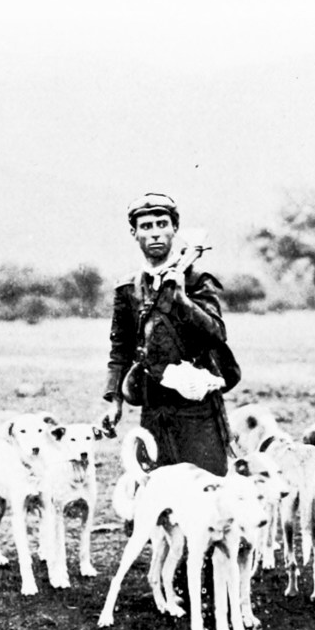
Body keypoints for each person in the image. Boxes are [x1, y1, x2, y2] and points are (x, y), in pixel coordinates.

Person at [101, 192, 234, 476]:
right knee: (157, 487)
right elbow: (121, 348)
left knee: (207, 487)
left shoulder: (197, 280)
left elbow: (217, 333)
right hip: (154, 406)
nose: (155, 233)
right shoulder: (128, 289)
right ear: (134, 233)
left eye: (162, 224)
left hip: (197, 407)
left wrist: (182, 299)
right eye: (146, 226)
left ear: (175, 229)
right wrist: (115, 402)